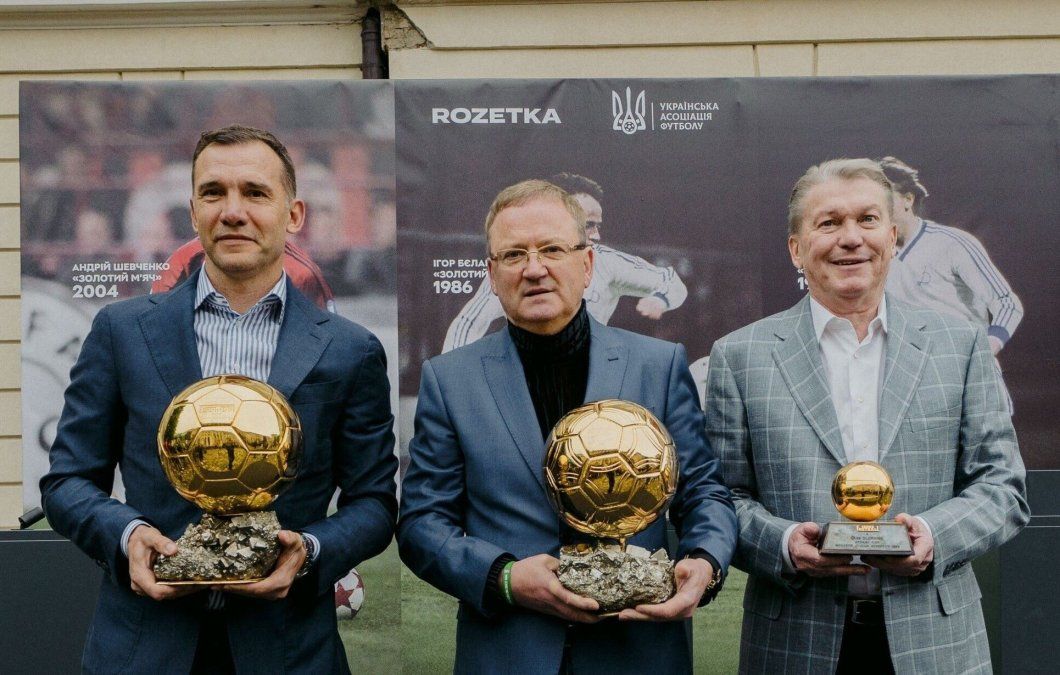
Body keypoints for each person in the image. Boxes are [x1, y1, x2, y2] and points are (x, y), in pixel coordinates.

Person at [40, 125, 398, 674]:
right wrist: (127, 535)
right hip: (143, 648)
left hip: (288, 652)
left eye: (255, 193)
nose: (233, 211)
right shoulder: (121, 331)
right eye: (214, 193)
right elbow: (67, 480)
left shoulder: (350, 349)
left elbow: (373, 502)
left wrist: (309, 550)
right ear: (192, 211)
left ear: (294, 214)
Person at [705, 158, 1029, 674]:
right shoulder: (740, 356)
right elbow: (722, 499)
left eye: (868, 220)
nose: (851, 238)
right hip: (794, 642)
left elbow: (1002, 487)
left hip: (935, 642)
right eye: (829, 222)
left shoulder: (959, 346)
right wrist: (785, 545)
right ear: (796, 248)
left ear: (894, 237)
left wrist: (930, 536)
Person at [399, 179, 736, 674]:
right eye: (514, 255)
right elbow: (422, 524)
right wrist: (505, 578)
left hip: (638, 649)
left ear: (589, 264)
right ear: (492, 275)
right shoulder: (450, 380)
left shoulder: (658, 366)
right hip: (509, 652)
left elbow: (704, 491)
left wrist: (704, 562)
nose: (534, 269)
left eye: (552, 249)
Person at [442, 172, 687, 352]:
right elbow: (470, 322)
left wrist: (660, 299)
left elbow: (670, 280)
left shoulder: (608, 263)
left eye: (598, 225)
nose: (597, 234)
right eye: (588, 224)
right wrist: (452, 379)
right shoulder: (514, 266)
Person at [880, 156, 1023, 356]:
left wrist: (987, 348)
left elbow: (1007, 303)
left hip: (967, 370)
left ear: (908, 199)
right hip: (916, 376)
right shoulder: (872, 258)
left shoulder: (952, 243)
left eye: (884, 197)